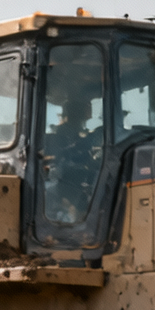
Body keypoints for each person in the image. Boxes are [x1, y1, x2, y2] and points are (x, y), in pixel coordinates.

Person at [42, 95, 103, 224]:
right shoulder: (64, 132)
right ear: (76, 112)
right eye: (85, 108)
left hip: (77, 173)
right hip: (67, 176)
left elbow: (86, 156)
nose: (89, 112)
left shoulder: (80, 132)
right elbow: (64, 156)